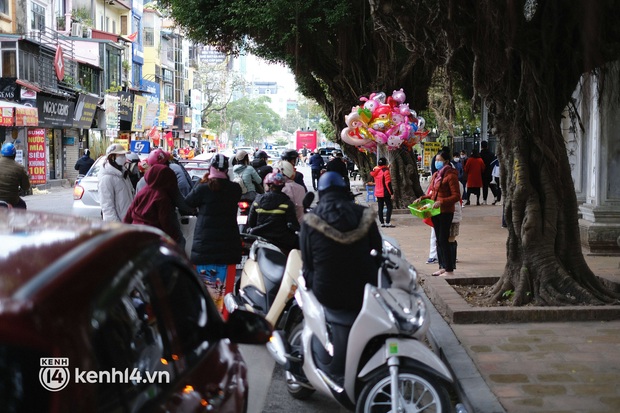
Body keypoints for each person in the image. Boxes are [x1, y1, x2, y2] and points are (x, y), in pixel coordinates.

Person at [299, 171, 382, 377]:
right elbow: (378, 252)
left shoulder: (311, 220)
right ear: (346, 191)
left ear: (321, 192)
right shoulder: (365, 215)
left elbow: (308, 263)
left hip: (326, 291)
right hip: (364, 290)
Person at [185, 153, 242, 267]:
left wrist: (201, 181)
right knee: (226, 283)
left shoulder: (202, 188)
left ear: (210, 168)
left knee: (205, 282)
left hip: (204, 244)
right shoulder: (235, 189)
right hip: (228, 245)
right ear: (226, 170)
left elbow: (188, 202)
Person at [414, 149, 460, 276]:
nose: (437, 162)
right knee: (438, 240)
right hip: (434, 211)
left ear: (446, 161)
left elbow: (456, 196)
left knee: (443, 239)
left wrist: (442, 201)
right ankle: (442, 266)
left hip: (445, 211)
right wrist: (422, 198)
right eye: (436, 160)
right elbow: (432, 193)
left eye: (440, 160)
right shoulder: (436, 175)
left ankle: (449, 269)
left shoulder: (451, 175)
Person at [124, 164, 185, 249]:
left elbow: (130, 211)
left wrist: (123, 228)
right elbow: (165, 221)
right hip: (152, 236)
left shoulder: (143, 191)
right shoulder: (162, 197)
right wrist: (174, 238)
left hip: (137, 232)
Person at [247, 171, 299, 254]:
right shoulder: (287, 203)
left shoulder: (258, 201)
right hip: (282, 241)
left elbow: (251, 222)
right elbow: (294, 225)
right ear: (282, 186)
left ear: (268, 185)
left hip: (260, 238)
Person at [99, 143, 135, 222]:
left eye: (124, 155)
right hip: (119, 225)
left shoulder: (123, 173)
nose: (124, 157)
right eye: (120, 155)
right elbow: (107, 207)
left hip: (128, 221)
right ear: (112, 157)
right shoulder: (106, 179)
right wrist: (116, 226)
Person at [0, 142, 30, 209]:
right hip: (12, 201)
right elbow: (26, 187)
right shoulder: (19, 168)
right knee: (22, 205)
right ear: (14, 155)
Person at [370, 157, 394, 227]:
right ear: (385, 163)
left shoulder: (375, 170)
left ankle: (382, 223)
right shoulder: (386, 171)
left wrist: (387, 168)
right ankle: (387, 222)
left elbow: (381, 171)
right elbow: (388, 183)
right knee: (389, 206)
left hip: (378, 192)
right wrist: (391, 193)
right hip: (385, 192)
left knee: (380, 207)